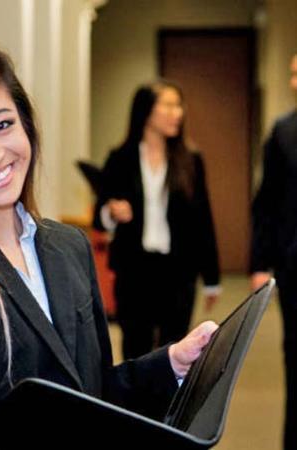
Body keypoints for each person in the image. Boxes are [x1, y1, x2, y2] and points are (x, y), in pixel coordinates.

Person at [0, 33, 217, 450]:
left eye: (2, 124)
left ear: (25, 124)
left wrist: (170, 364)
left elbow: (92, 396)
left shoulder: (68, 247)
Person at [94, 81, 220, 360]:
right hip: (135, 269)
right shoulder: (121, 158)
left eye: (179, 105)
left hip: (178, 270)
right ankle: (133, 406)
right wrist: (112, 212)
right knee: (135, 348)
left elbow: (203, 219)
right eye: (169, 105)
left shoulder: (191, 160)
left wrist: (212, 278)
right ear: (146, 111)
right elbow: (100, 217)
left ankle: (167, 406)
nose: (177, 112)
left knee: (175, 351)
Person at [251, 53, 297, 450]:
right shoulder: (283, 133)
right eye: (293, 73)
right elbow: (266, 202)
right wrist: (260, 261)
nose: (296, 81)